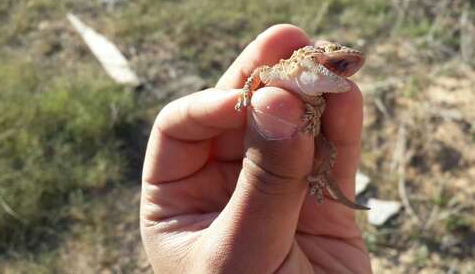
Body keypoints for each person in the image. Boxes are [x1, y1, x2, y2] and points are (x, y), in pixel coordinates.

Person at [140, 24, 373, 273]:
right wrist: (246, 94)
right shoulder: (281, 71)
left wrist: (316, 160)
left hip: (306, 144)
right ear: (305, 56)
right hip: (266, 140)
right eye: (331, 52)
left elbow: (316, 111)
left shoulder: (315, 99)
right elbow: (259, 73)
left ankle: (317, 178)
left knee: (330, 150)